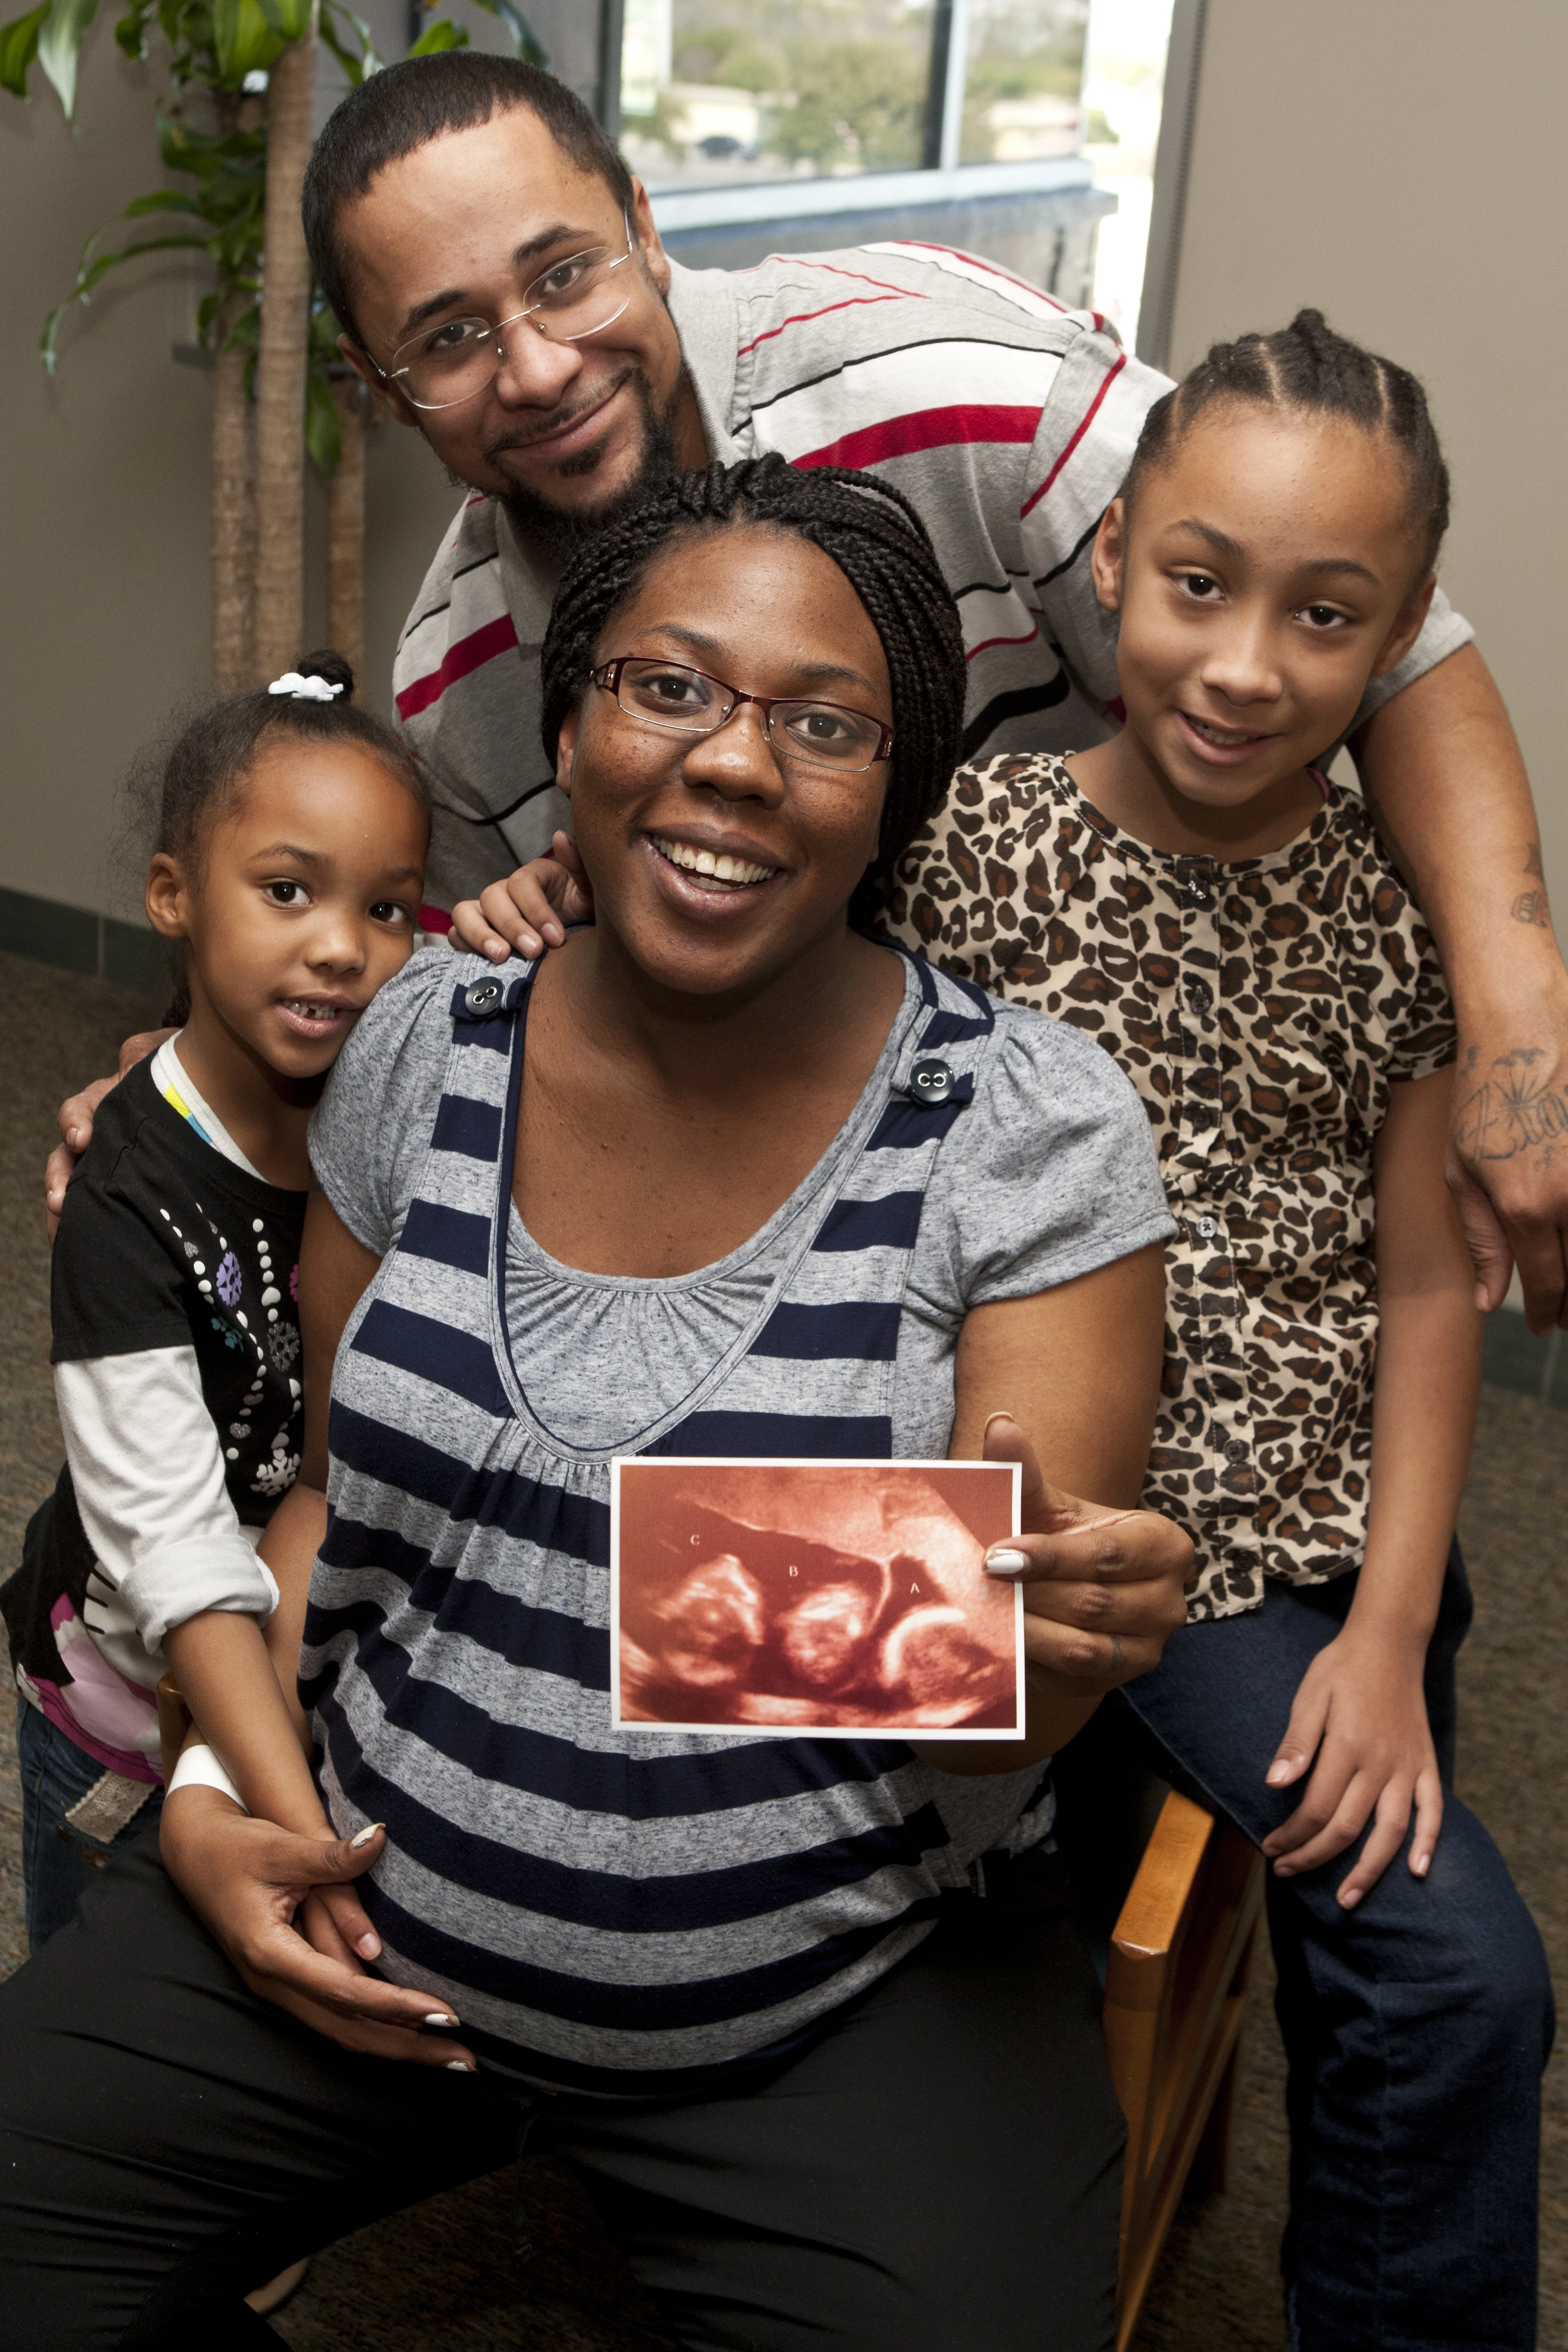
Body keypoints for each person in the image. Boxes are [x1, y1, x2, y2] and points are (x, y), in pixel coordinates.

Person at [0, 459, 1193, 2352]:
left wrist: (1066, 1648)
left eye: (824, 721)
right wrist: (225, 1787)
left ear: (894, 792)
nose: (734, 761)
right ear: (568, 727)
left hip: (836, 1994)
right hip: (365, 1902)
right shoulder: (418, 1040)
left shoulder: (1027, 1127)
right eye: (667, 686)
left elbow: (981, 1712)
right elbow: (336, 1495)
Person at [484, 318, 1557, 2351]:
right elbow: (742, 955)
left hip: (1258, 1557)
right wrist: (544, 897)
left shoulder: (1394, 917)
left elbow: (1432, 1287)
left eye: (1325, 616)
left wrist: (1395, 1634)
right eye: (1199, 582)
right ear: (1115, 556)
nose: (1245, 662)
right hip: (995, 1494)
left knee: (1448, 1970)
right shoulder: (966, 833)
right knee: (620, 1668)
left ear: (1398, 631)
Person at [44, 55, 1568, 1322]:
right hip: (834, 1239)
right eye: (448, 339)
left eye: (564, 274)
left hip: (1186, 1141)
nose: (538, 367)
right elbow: (458, 1038)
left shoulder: (942, 374)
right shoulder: (458, 698)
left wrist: (1515, 1028)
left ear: (643, 224)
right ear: (384, 390)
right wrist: (207, 1085)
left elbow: (1374, 642)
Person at [2, 652, 430, 1950]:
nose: (342, 949)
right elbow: (178, 1558)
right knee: (98, 1974)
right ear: (173, 896)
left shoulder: (395, 1123)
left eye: (390, 910)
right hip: (127, 1723)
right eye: (288, 891)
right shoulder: (125, 1202)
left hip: (306, 1676)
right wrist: (301, 1831)